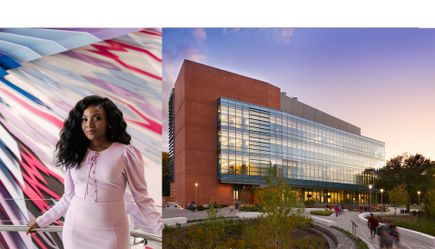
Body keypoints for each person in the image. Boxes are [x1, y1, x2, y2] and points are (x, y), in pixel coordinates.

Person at [26, 96, 162, 249]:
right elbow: (68, 197)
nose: (89, 124)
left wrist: (165, 232)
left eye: (97, 118)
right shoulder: (75, 152)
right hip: (76, 231)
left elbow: (142, 199)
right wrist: (41, 221)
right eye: (84, 119)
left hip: (113, 233)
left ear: (109, 122)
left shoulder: (125, 153)